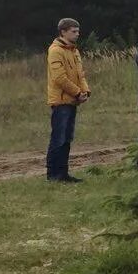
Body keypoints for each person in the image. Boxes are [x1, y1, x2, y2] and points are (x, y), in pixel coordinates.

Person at [45, 17, 90, 183]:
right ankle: (53, 175)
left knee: (67, 139)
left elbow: (80, 74)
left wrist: (85, 90)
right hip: (61, 101)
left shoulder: (74, 51)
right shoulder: (55, 50)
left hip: (72, 101)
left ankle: (63, 173)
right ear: (63, 32)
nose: (77, 34)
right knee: (58, 138)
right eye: (74, 31)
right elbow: (59, 78)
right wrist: (77, 92)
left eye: (78, 31)